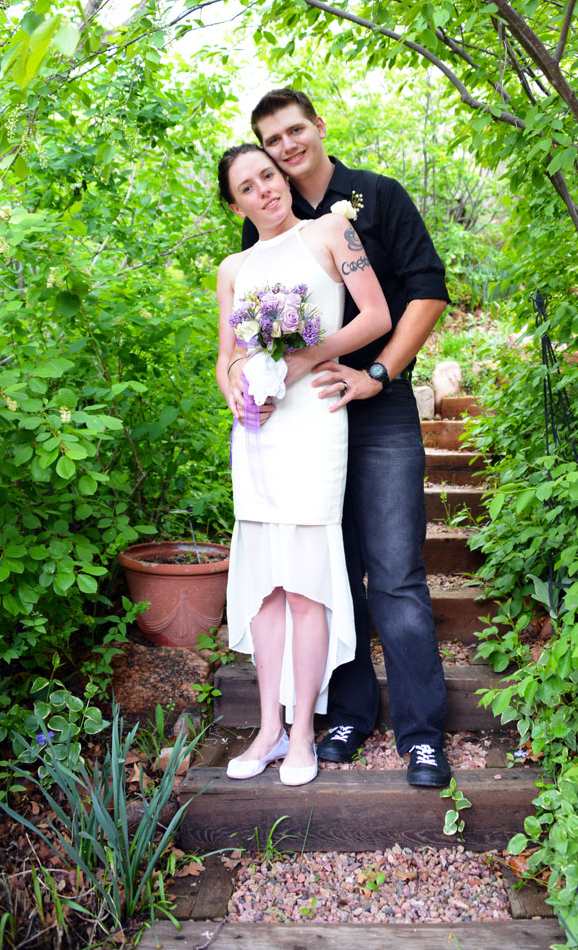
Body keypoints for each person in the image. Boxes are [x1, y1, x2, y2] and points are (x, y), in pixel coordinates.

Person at [230, 89, 452, 788]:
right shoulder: (267, 226)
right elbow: (248, 329)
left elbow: (427, 290)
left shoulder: (378, 197)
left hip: (375, 407)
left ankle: (421, 733)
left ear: (319, 127)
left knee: (394, 573)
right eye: (272, 141)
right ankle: (350, 712)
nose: (286, 148)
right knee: (330, 569)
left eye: (295, 131)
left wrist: (379, 373)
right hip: (300, 422)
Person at [216, 143, 391, 787]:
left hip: (314, 419)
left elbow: (376, 314)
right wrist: (238, 387)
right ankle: (267, 729)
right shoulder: (234, 267)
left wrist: (305, 357)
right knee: (265, 581)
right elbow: (227, 358)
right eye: (249, 185)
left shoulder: (332, 231)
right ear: (235, 203)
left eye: (269, 174)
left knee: (306, 578)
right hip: (258, 432)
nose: (266, 189)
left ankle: (304, 737)